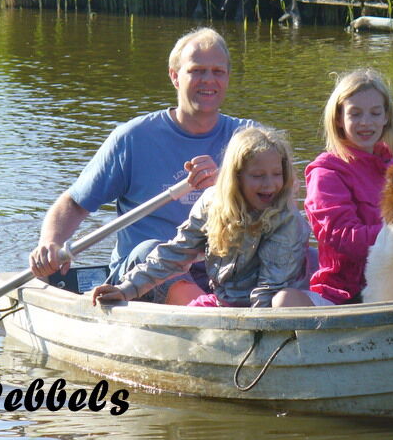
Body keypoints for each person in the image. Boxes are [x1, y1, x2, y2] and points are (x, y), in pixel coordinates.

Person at [29, 27, 254, 304]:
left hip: (221, 269)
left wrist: (228, 185)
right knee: (155, 252)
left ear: (228, 77)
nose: (208, 80)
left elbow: (281, 208)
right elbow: (74, 203)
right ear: (175, 76)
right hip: (141, 275)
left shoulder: (249, 140)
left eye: (217, 71)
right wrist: (50, 244)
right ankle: (212, 316)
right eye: (197, 71)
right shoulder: (133, 138)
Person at [91, 126, 311, 308]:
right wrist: (127, 289)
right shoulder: (211, 203)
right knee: (184, 314)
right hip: (224, 304)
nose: (269, 184)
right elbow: (176, 253)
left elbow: (268, 292)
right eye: (257, 175)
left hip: (272, 307)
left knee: (279, 300)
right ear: (236, 177)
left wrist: (249, 336)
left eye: (277, 174)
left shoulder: (287, 220)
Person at [276, 68, 393, 307]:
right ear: (339, 119)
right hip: (342, 296)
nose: (366, 122)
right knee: (284, 301)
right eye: (355, 114)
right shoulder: (326, 172)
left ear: (386, 117)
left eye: (375, 113)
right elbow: (344, 237)